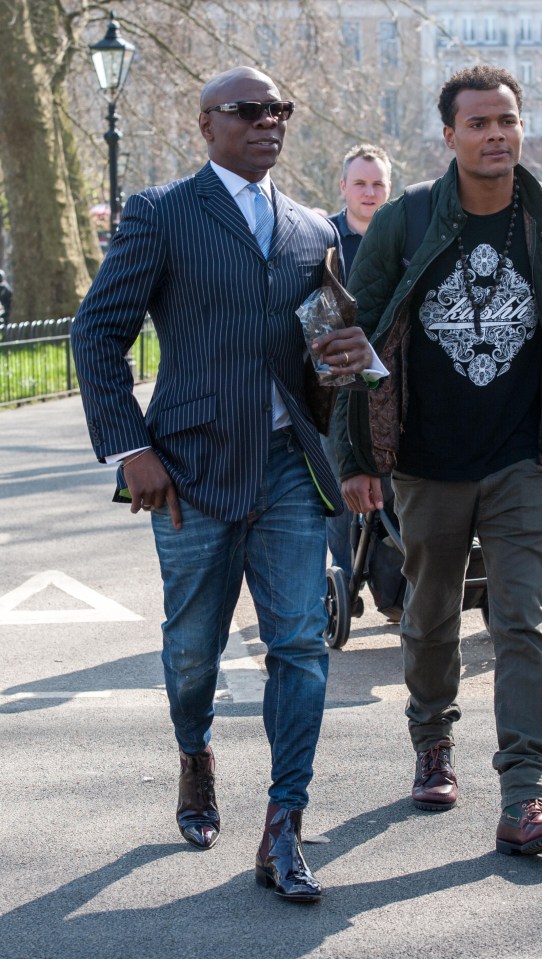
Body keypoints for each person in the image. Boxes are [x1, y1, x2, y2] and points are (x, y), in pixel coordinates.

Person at [71, 66, 376, 903]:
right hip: (189, 469)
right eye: (249, 110)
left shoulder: (315, 227)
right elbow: (96, 334)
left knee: (301, 647)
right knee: (191, 650)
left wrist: (350, 359)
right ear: (207, 124)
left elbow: (326, 353)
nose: (268, 122)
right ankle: (195, 751)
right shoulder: (162, 213)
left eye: (280, 110)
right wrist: (129, 446)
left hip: (287, 468)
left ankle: (284, 828)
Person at [335, 65, 542, 856]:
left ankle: (525, 793)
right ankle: (432, 740)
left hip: (522, 461)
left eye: (508, 121)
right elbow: (353, 339)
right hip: (425, 461)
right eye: (480, 123)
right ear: (448, 135)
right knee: (430, 617)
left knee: (524, 619)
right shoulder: (407, 220)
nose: (497, 135)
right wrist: (357, 456)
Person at [323, 144, 392, 586]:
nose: (370, 192)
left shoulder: (404, 235)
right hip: (337, 385)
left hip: (394, 384)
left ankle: (392, 581)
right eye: (361, 184)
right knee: (339, 486)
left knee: (391, 488)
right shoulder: (323, 239)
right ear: (344, 187)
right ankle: (344, 581)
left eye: (378, 184)